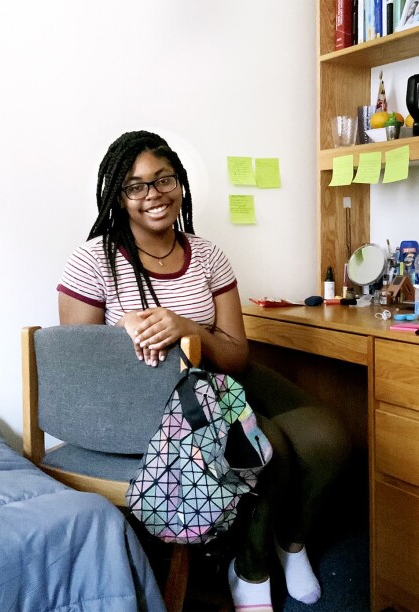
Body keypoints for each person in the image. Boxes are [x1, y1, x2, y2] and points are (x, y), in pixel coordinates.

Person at [56, 130, 350, 610]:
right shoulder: (93, 261)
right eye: (135, 186)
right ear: (117, 195)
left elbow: (236, 354)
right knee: (264, 447)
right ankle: (249, 569)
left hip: (220, 378)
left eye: (163, 179)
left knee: (328, 435)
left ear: (181, 182)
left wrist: (187, 327)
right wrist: (122, 331)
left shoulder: (207, 254)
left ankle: (290, 542)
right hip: (156, 402)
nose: (153, 194)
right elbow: (82, 375)